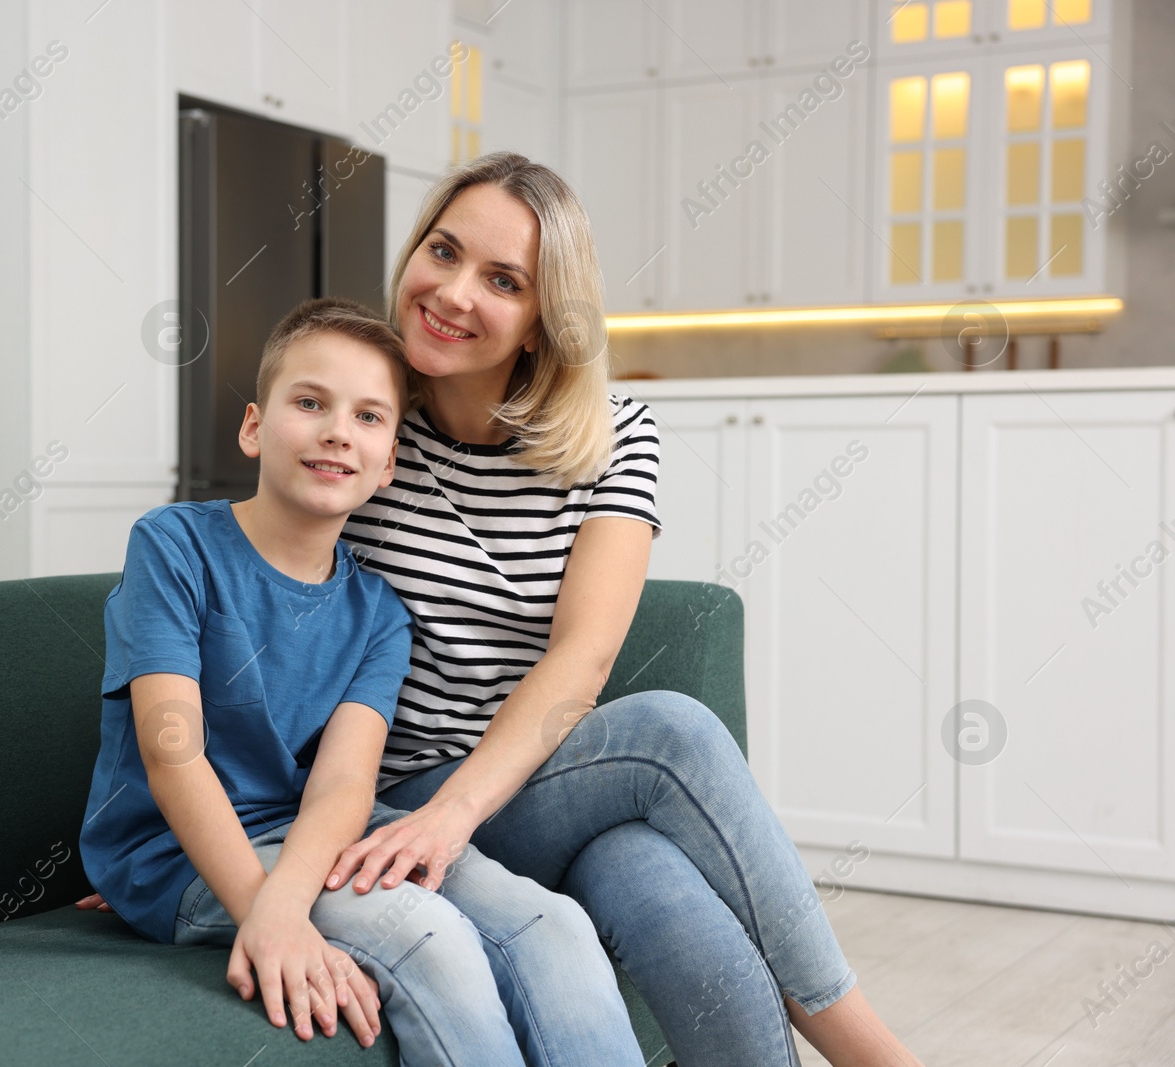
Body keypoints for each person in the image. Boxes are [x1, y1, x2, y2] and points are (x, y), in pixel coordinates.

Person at [82, 154, 925, 1066]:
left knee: (645, 868)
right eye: (441, 250)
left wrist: (447, 820)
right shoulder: (367, 416)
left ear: (540, 319)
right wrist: (197, 864)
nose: (451, 291)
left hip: (494, 793)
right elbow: (208, 678)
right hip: (381, 796)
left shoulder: (610, 433)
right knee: (667, 753)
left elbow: (584, 659)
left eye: (503, 280)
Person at [78, 296, 648, 1067]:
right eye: (310, 402)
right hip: (175, 854)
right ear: (254, 426)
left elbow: (346, 782)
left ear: (388, 466)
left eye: (370, 417)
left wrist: (289, 891)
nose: (337, 429)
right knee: (430, 935)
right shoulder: (174, 545)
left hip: (317, 830)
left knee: (551, 923)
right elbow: (172, 752)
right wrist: (269, 912)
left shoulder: (379, 613)